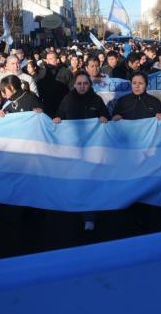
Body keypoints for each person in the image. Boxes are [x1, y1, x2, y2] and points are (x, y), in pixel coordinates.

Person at [52, 71, 109, 232]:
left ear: (90, 85)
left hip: (91, 151)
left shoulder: (97, 100)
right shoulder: (67, 99)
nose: (82, 86)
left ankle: (89, 216)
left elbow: (106, 117)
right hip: (73, 150)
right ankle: (74, 209)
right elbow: (59, 117)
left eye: (85, 83)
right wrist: (57, 119)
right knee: (75, 182)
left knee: (89, 183)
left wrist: (105, 118)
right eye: (79, 83)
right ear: (74, 84)